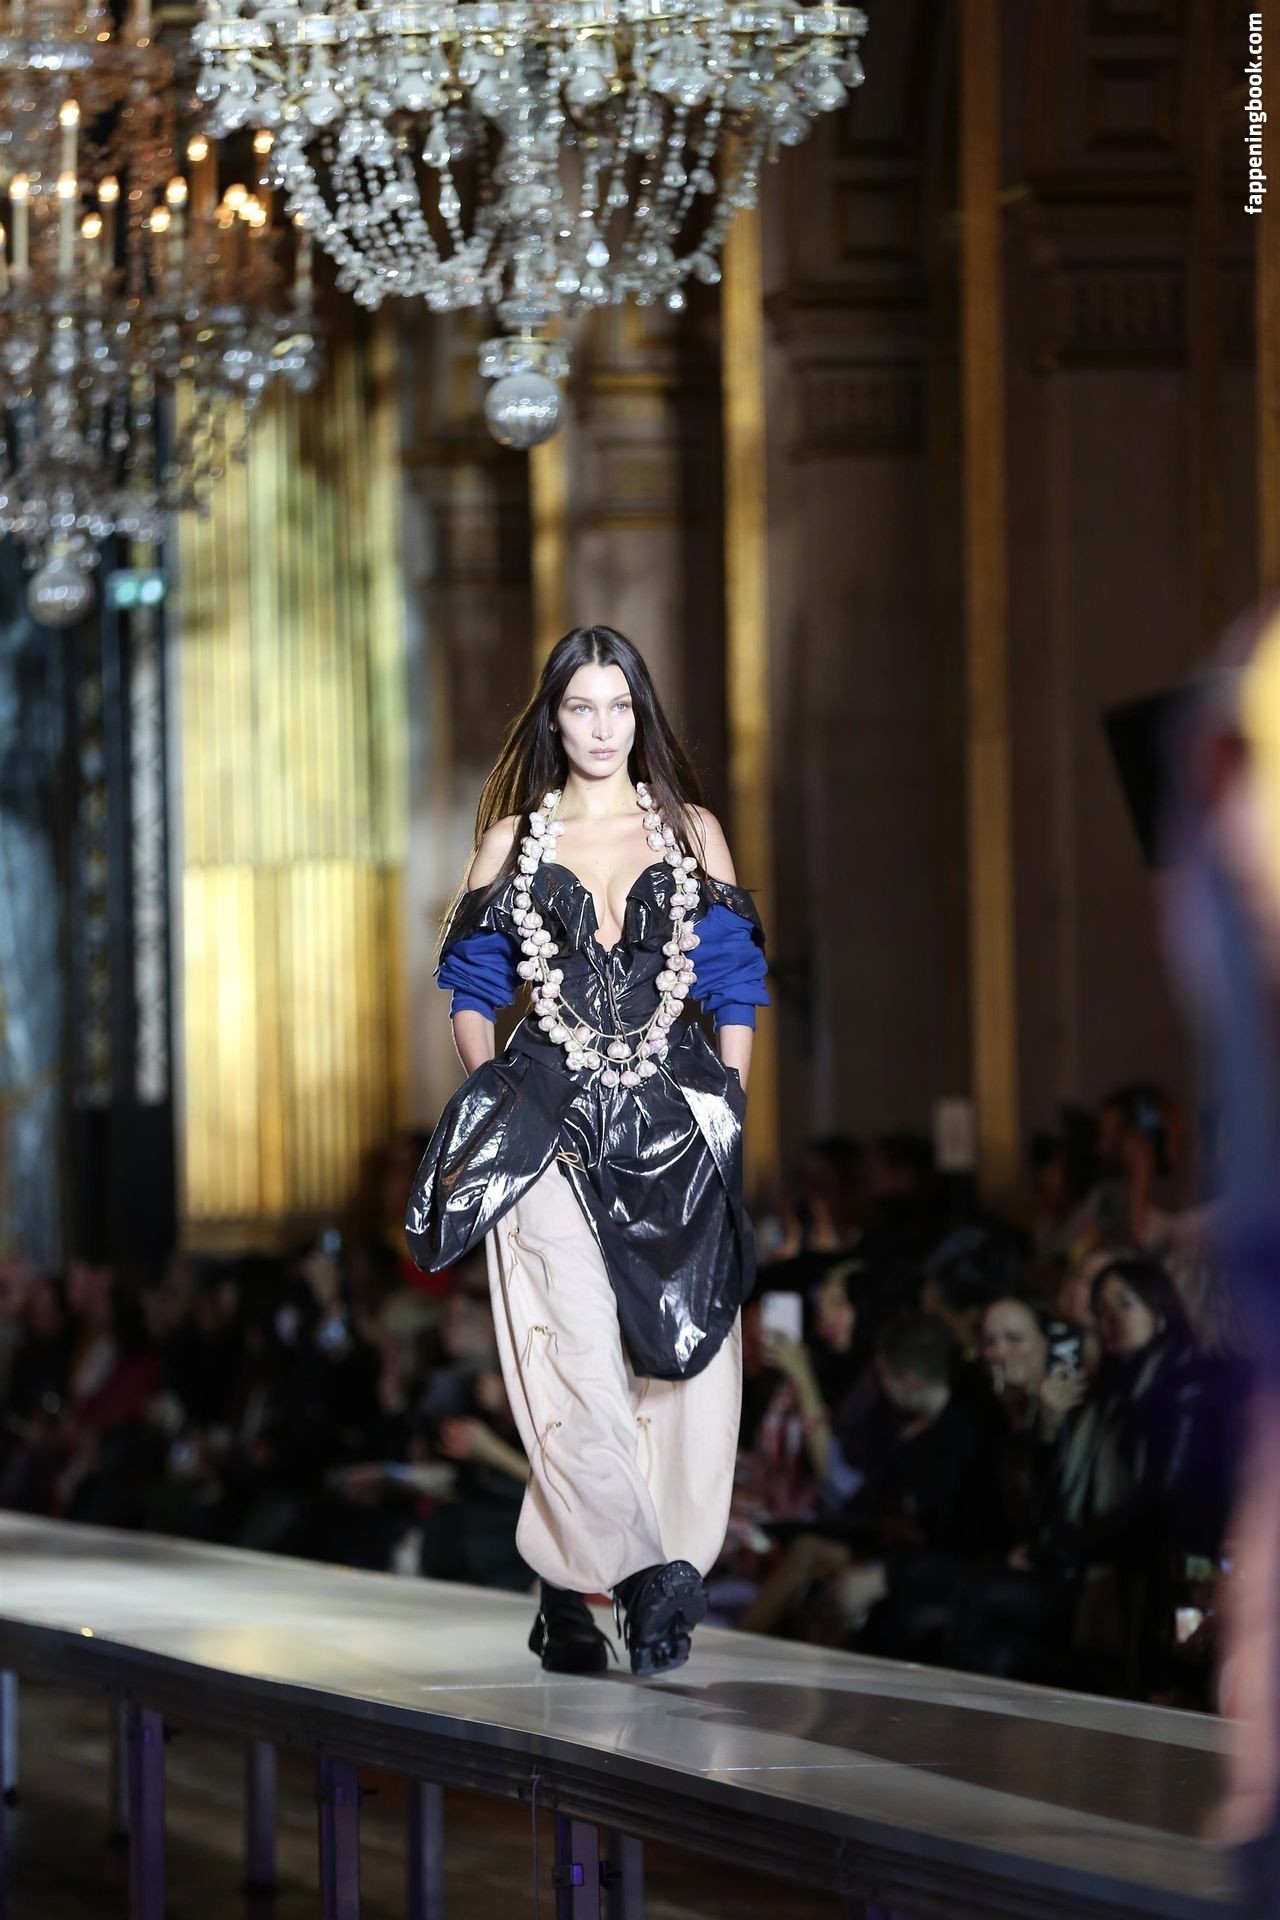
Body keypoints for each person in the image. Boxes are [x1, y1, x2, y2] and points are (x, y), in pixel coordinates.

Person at [405, 625, 769, 1677]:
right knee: (570, 1343)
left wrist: (731, 1099)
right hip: (544, 1120)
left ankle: (570, 1588)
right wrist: (495, 1090)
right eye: (581, 708)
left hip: (674, 1121)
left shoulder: (690, 832)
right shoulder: (513, 841)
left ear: (638, 714)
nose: (602, 728)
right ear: (553, 719)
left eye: (618, 707)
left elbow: (732, 978)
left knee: (677, 1353)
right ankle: (644, 1579)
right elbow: (471, 987)